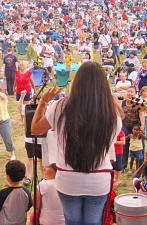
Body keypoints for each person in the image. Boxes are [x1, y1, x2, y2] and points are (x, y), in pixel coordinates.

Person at [31, 62, 123, 224]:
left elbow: (35, 128)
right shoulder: (111, 113)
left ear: (77, 82)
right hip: (99, 179)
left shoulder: (60, 107)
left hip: (68, 179)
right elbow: (121, 117)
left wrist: (43, 102)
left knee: (72, 221)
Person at [0, 160, 32, 225]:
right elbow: (28, 208)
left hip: (3, 223)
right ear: (23, 176)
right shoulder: (27, 192)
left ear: (8, 177)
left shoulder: (3, 193)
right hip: (20, 222)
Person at [121, 86, 145, 171]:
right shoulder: (123, 102)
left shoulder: (138, 102)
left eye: (132, 92)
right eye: (128, 91)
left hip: (136, 127)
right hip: (126, 126)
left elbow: (141, 114)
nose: (130, 93)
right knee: (124, 145)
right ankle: (123, 165)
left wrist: (142, 126)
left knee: (140, 146)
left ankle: (142, 166)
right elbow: (121, 114)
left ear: (135, 93)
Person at [14, 60, 36, 125]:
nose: (22, 66)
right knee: (20, 107)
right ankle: (22, 120)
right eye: (21, 64)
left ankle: (27, 119)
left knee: (26, 107)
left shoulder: (29, 73)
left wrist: (34, 90)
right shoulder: (17, 73)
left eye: (23, 65)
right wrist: (14, 87)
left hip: (27, 91)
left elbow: (32, 82)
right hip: (19, 92)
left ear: (26, 66)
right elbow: (15, 81)